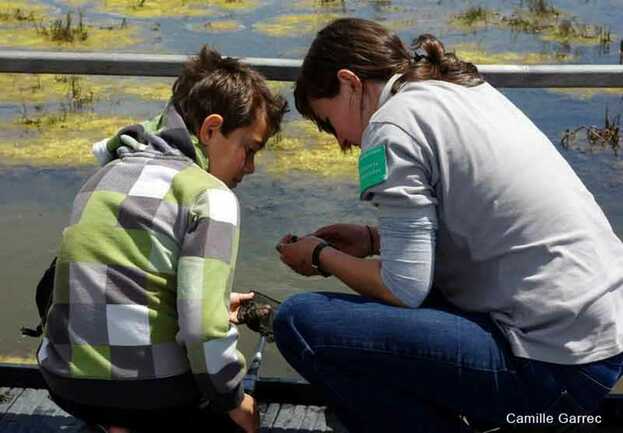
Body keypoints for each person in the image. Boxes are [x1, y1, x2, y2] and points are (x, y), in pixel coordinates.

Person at [274, 17, 623, 433]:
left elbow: (404, 288)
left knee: (297, 319)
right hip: (601, 339)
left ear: (349, 83)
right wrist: (371, 239)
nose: (340, 142)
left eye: (329, 122)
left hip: (553, 370)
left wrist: (319, 255)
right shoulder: (459, 89)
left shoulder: (390, 126)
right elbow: (486, 224)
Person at [37, 46, 287, 433]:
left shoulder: (104, 176)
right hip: (153, 392)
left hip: (64, 383)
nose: (250, 167)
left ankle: (116, 421)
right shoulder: (211, 195)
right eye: (249, 149)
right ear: (210, 129)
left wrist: (217, 303)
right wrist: (236, 401)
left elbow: (121, 283)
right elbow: (203, 330)